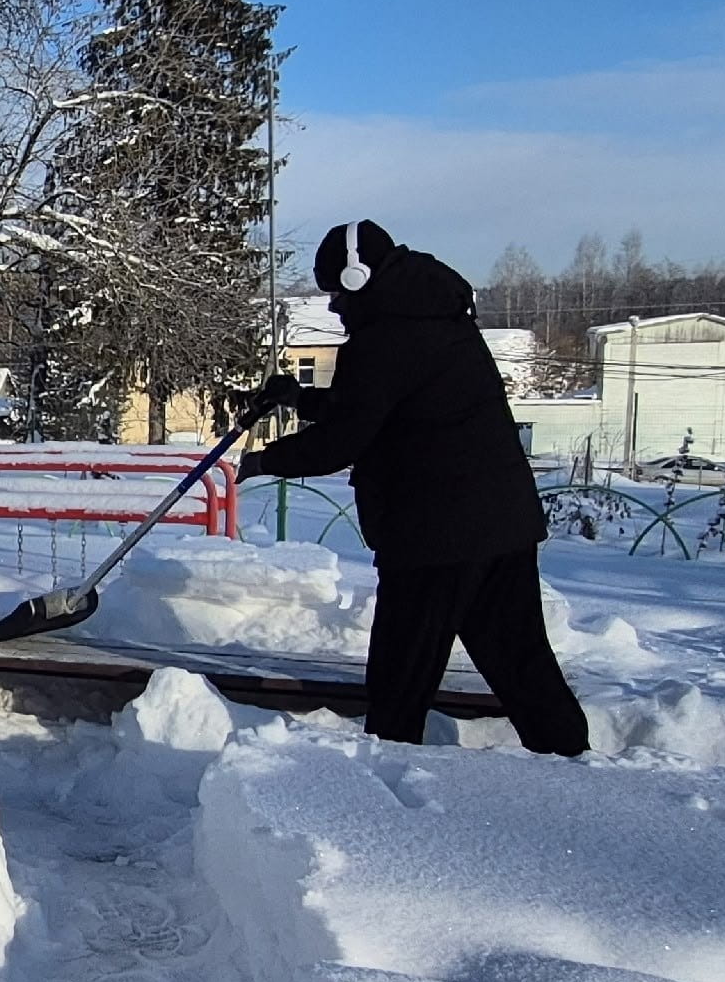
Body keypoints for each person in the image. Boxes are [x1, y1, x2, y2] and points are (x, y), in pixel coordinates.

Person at [234, 219, 588, 756]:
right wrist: (296, 398)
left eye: (335, 291)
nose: (333, 306)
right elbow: (381, 408)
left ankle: (389, 789)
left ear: (358, 279)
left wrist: (263, 461)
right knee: (520, 661)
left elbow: (344, 439)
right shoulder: (433, 317)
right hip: (501, 522)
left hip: (433, 533)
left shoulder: (384, 339)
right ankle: (575, 763)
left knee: (401, 676)